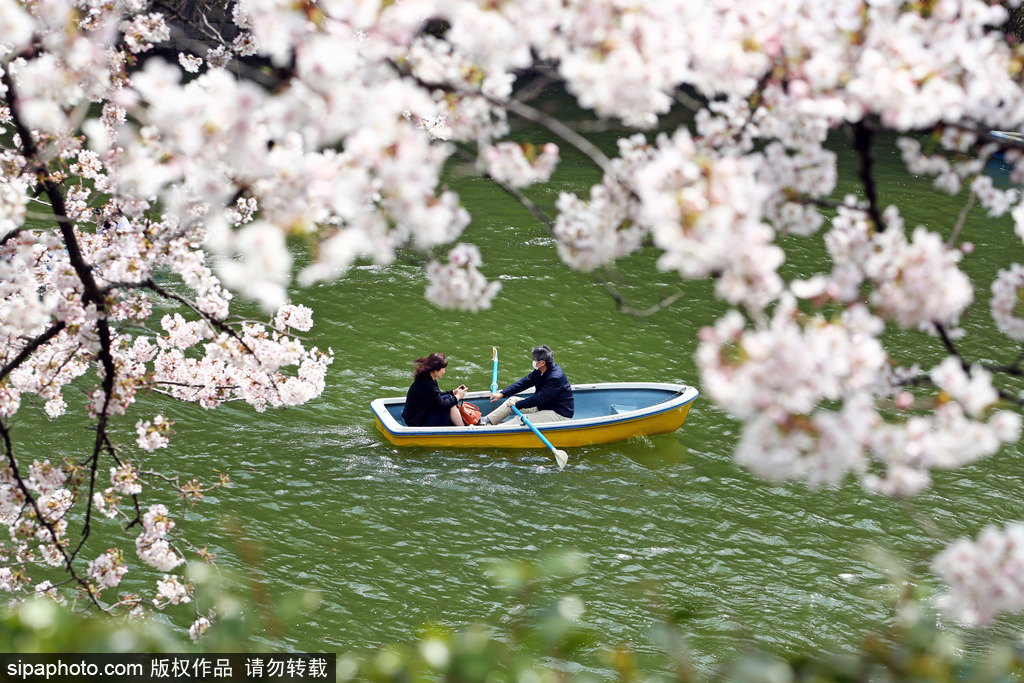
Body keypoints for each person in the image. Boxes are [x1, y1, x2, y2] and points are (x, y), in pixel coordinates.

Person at [481, 345, 573, 425]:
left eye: (534, 359)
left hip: (558, 414)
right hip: (543, 406)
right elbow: (524, 383)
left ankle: (490, 432)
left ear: (542, 363)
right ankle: (486, 421)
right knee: (512, 400)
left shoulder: (555, 377)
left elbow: (539, 398)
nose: (533, 360)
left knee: (519, 420)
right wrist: (502, 393)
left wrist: (518, 404)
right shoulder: (539, 371)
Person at [402, 353, 469, 427]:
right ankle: (463, 428)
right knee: (450, 402)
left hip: (418, 415)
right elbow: (442, 405)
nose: (444, 372)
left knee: (449, 397)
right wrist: (458, 397)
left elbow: (436, 396)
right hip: (416, 421)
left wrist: (453, 392)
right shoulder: (427, 384)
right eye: (443, 369)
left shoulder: (428, 378)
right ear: (436, 370)